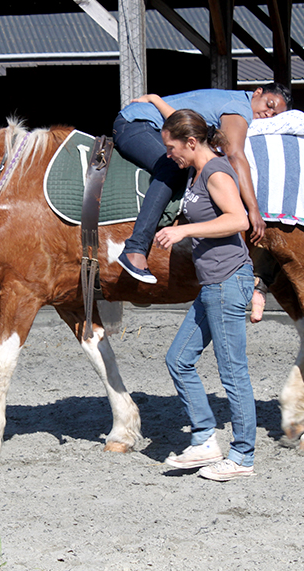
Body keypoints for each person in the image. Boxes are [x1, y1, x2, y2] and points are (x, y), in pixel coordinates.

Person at [112, 84, 292, 321]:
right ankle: (136, 247)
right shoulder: (237, 109)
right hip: (136, 126)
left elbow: (184, 120)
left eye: (275, 114)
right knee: (172, 166)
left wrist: (156, 99)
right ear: (257, 92)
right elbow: (235, 155)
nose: (268, 114)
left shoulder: (231, 101)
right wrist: (254, 209)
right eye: (269, 105)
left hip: (155, 123)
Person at [156, 110, 257, 481]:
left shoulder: (215, 171)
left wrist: (184, 232)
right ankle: (204, 439)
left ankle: (243, 456)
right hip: (213, 284)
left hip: (227, 281)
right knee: (178, 359)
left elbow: (239, 220)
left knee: (233, 372)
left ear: (191, 143)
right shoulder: (197, 173)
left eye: (172, 147)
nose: (170, 154)